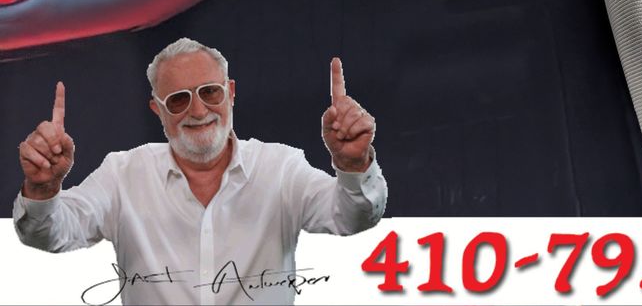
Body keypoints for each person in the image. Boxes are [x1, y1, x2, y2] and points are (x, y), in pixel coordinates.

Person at [13, 38, 386, 306]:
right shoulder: (122, 175)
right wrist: (42, 188)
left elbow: (352, 217)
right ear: (157, 110)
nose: (197, 111)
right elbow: (50, 234)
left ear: (230, 92)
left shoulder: (280, 168)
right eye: (178, 99)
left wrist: (353, 164)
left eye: (209, 92)